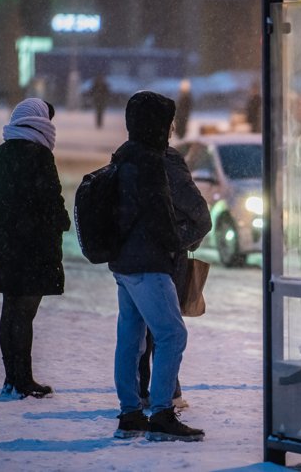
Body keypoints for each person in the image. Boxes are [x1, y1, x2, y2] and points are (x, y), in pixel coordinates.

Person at [110, 90, 204, 442]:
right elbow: (161, 218)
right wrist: (175, 243)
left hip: (124, 263)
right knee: (172, 334)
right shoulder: (152, 163)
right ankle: (163, 411)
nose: (170, 130)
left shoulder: (123, 156)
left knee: (131, 338)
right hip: (149, 263)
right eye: (167, 123)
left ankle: (130, 413)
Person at [0, 98, 70, 399]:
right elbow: (52, 201)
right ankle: (24, 380)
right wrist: (61, 221)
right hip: (35, 248)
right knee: (25, 314)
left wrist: (8, 211)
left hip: (6, 246)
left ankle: (11, 378)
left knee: (10, 310)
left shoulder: (3, 153)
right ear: (40, 122)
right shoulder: (40, 156)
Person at [138, 141, 212, 409]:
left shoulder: (128, 155)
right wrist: (181, 241)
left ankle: (137, 395)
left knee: (137, 331)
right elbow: (201, 216)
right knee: (167, 330)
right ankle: (167, 395)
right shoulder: (167, 159)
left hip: (130, 258)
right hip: (164, 259)